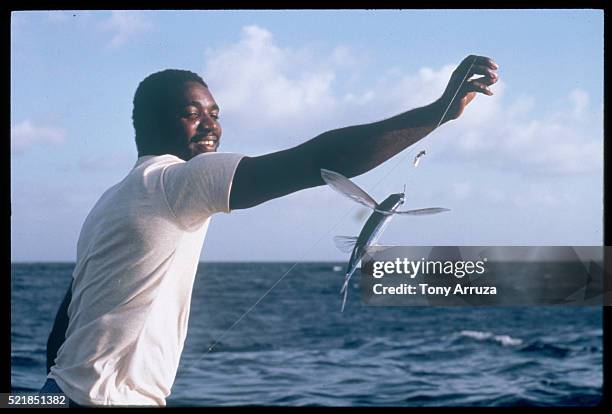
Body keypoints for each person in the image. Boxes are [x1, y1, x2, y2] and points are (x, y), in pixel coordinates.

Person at [40, 55, 498, 406]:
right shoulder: (178, 181)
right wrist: (438, 112)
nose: (211, 125)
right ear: (151, 123)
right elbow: (316, 160)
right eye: (192, 113)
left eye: (215, 113)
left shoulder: (112, 199)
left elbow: (68, 317)